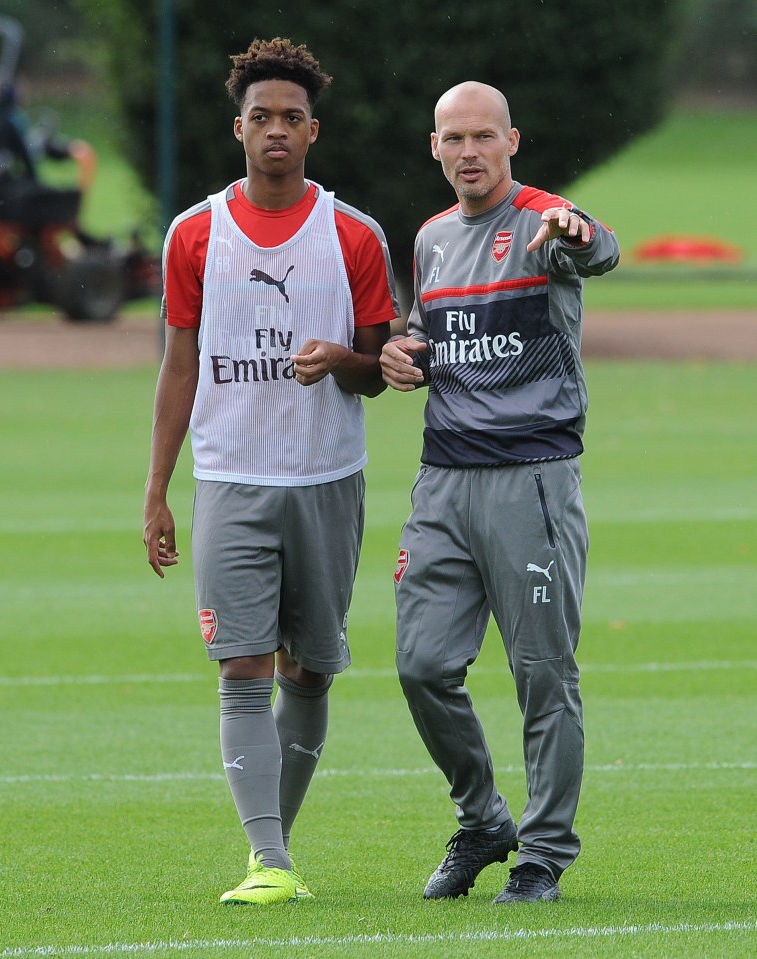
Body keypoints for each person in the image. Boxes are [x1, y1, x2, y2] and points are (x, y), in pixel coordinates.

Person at [143, 37, 399, 906]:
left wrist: (342, 360)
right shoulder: (195, 233)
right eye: (262, 118)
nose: (276, 131)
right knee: (243, 665)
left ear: (313, 130)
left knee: (312, 670)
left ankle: (274, 844)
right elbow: (179, 365)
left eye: (292, 118)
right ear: (240, 130)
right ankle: (270, 861)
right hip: (229, 479)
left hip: (329, 479)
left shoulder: (354, 234)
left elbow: (381, 368)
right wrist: (157, 489)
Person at [380, 81, 619, 904]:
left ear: (512, 141)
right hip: (442, 481)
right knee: (420, 666)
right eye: (455, 138)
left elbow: (595, 247)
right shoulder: (433, 237)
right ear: (435, 148)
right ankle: (484, 818)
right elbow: (425, 332)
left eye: (485, 136)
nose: (470, 151)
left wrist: (578, 230)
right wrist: (401, 352)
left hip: (532, 481)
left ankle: (543, 854)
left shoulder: (544, 220)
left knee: (543, 673)